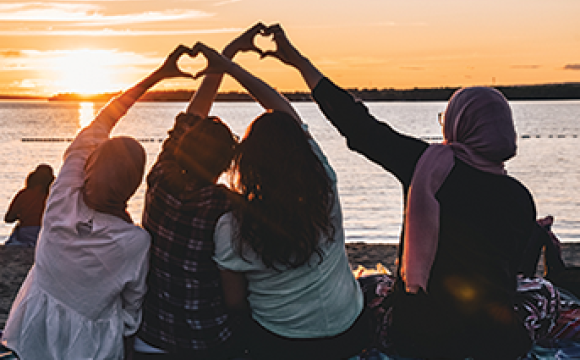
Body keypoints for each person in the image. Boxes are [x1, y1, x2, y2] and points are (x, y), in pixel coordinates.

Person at [262, 24, 544, 359]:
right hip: (490, 336)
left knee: (367, 290)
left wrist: (297, 61)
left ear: (460, 124)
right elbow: (513, 273)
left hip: (421, 334)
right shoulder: (519, 197)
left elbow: (357, 124)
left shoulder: (426, 167)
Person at [0, 45, 195, 360]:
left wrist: (157, 75)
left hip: (36, 328)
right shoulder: (134, 240)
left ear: (87, 169)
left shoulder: (62, 196)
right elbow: (133, 304)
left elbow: (104, 120)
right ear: (133, 187)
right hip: (90, 344)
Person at [189, 41, 372, 360]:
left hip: (282, 344)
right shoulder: (323, 187)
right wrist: (231, 68)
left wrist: (226, 62)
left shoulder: (232, 225)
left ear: (247, 162)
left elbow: (235, 303)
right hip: (349, 332)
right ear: (301, 154)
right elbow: (284, 113)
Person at [134, 24, 265, 360]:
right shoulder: (228, 206)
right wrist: (228, 58)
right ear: (226, 165)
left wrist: (226, 57)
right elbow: (235, 298)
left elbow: (192, 115)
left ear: (181, 150)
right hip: (207, 342)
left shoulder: (159, 177)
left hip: (152, 336)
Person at [4, 164, 54, 247]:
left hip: (26, 231)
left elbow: (8, 218)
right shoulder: (54, 196)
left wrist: (22, 215)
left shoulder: (23, 194)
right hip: (47, 232)